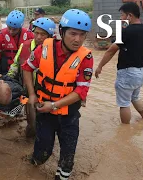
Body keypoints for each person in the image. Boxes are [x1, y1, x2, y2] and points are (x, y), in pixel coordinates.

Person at [22, 9, 93, 180]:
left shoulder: (86, 57)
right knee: (42, 153)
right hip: (45, 113)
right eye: (73, 34)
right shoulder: (44, 48)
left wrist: (53, 105)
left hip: (69, 114)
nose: (77, 39)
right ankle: (34, 163)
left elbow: (81, 91)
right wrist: (32, 95)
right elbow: (26, 68)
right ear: (62, 32)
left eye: (82, 35)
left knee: (68, 158)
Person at [95, 2, 143, 124]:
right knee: (135, 97)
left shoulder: (125, 31)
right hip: (141, 71)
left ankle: (125, 132)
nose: (121, 18)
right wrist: (139, 61)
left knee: (124, 103)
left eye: (122, 15)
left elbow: (111, 51)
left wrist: (100, 66)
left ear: (129, 16)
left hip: (127, 72)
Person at [7, 17, 56, 137]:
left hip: (48, 91)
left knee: (47, 120)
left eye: (43, 34)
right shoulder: (25, 46)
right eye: (36, 33)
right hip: (28, 88)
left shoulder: (55, 49)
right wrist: (9, 78)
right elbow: (15, 63)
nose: (38, 37)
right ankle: (31, 132)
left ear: (49, 36)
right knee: (31, 118)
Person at [0, 10, 34, 76]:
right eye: (9, 28)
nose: (11, 31)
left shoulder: (29, 35)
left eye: (14, 29)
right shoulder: (1, 35)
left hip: (24, 69)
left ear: (20, 27)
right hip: (7, 69)